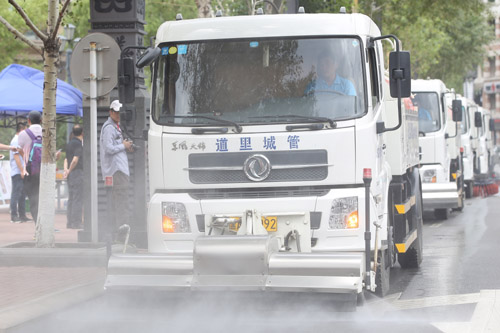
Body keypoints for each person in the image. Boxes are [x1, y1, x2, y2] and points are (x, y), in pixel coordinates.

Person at [100, 100, 134, 238]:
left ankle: (120, 231)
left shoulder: (116, 127)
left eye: (120, 112)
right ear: (110, 112)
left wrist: (126, 146)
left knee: (121, 199)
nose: (118, 114)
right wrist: (123, 146)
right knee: (121, 199)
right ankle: (121, 230)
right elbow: (108, 149)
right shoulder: (109, 128)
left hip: (120, 169)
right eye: (116, 112)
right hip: (116, 170)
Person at [17, 111, 42, 223]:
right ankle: (46, 225)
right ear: (41, 120)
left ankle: (37, 225)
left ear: (28, 121)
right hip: (45, 169)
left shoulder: (23, 134)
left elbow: (18, 151)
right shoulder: (47, 132)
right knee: (45, 198)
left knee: (33, 198)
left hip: (30, 169)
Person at [64, 124, 84, 229]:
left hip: (70, 175)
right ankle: (76, 222)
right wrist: (71, 170)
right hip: (77, 173)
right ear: (82, 133)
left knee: (71, 198)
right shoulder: (78, 144)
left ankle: (70, 222)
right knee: (77, 198)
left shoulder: (69, 144)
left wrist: (67, 171)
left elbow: (66, 159)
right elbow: (75, 160)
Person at [9, 122, 30, 223]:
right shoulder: (16, 140)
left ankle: (22, 215)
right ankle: (14, 215)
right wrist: (21, 170)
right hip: (17, 171)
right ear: (22, 130)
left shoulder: (19, 140)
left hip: (21, 170)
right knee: (16, 193)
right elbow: (16, 156)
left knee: (22, 193)